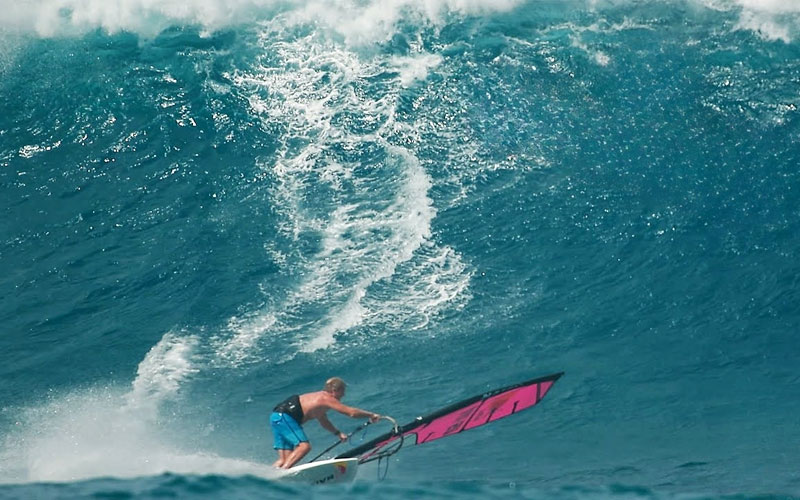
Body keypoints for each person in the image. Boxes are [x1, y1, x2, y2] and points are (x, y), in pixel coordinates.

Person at [270, 377, 381, 469]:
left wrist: (337, 433)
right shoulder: (326, 398)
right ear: (334, 391)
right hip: (285, 417)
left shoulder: (319, 399)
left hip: (277, 418)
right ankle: (283, 474)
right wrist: (371, 415)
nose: (344, 395)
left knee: (285, 459)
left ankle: (269, 475)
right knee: (304, 447)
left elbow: (323, 420)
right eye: (342, 391)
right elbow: (351, 412)